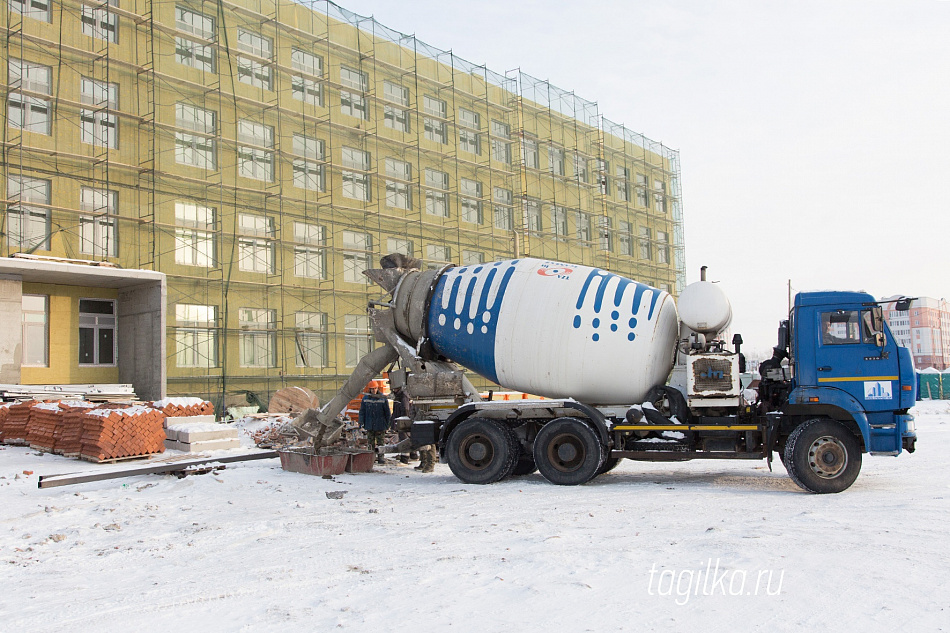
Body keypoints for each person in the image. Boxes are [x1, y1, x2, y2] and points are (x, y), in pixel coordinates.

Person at [358, 381, 390, 464]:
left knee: (380, 442)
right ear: (369, 389)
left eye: (375, 388)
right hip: (370, 424)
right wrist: (361, 421)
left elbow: (387, 412)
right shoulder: (365, 399)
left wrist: (388, 424)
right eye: (372, 389)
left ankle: (381, 458)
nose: (373, 390)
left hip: (380, 425)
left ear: (377, 388)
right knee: (370, 443)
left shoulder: (382, 398)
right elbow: (362, 411)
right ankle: (371, 458)